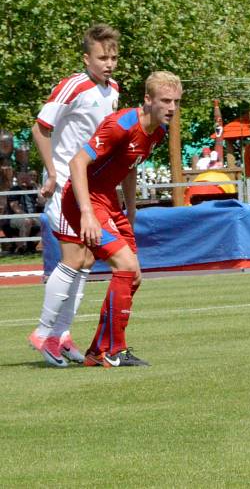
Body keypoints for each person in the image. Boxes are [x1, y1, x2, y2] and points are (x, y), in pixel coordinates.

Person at [56, 71, 182, 368]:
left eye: (176, 101)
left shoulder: (158, 132)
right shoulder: (121, 124)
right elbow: (77, 162)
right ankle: (112, 350)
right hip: (81, 199)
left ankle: (99, 350)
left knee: (133, 275)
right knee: (125, 266)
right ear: (148, 100)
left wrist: (131, 207)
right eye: (165, 101)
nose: (172, 108)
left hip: (109, 202)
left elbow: (130, 165)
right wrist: (87, 213)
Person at [28, 24, 120, 367]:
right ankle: (44, 332)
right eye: (101, 57)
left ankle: (61, 334)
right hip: (67, 184)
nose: (108, 63)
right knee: (73, 258)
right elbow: (40, 128)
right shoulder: (74, 85)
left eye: (113, 57)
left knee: (86, 260)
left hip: (90, 186)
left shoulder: (113, 90)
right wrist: (52, 173)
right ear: (87, 58)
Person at [7, 170, 44, 254]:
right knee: (27, 221)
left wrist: (37, 188)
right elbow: (15, 208)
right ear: (18, 179)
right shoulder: (14, 189)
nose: (24, 180)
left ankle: (31, 245)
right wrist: (27, 216)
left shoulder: (32, 189)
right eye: (22, 178)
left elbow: (42, 202)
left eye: (26, 178)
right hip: (17, 217)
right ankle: (22, 247)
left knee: (47, 223)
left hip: (33, 217)